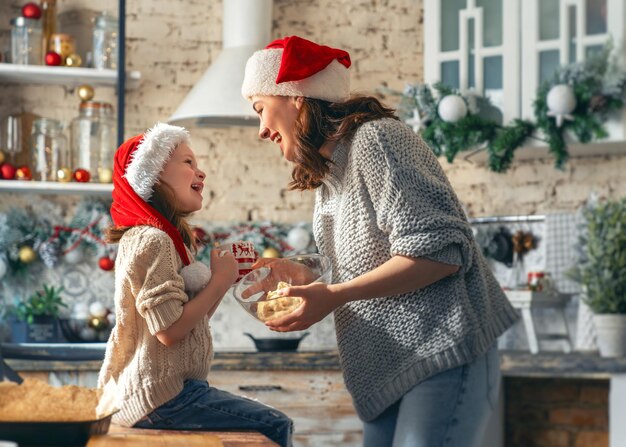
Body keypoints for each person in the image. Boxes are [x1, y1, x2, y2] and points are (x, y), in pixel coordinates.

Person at [241, 36, 520, 447]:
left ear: (295, 97)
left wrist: (333, 295)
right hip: (388, 369)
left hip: (441, 349)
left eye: (261, 109)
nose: (262, 129)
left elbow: (438, 254)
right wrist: (308, 276)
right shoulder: (332, 170)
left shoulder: (377, 141)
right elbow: (373, 261)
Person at [97, 122, 293, 447]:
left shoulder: (171, 241)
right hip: (160, 397)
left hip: (174, 391)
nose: (201, 173)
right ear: (155, 173)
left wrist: (225, 280)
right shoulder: (152, 240)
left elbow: (188, 323)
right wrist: (219, 280)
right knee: (274, 425)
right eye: (188, 163)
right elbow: (170, 332)